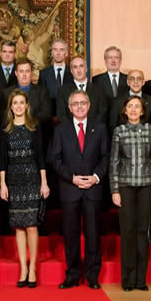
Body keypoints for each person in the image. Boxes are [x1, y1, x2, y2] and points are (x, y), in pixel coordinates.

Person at [49, 90, 109, 289]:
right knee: (71, 234)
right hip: (70, 188)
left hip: (93, 188)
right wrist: (72, 178)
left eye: (83, 103)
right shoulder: (61, 130)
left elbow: (106, 157)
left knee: (93, 234)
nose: (80, 106)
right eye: (76, 104)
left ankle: (92, 275)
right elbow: (54, 159)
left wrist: (95, 178)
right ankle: (73, 274)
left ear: (89, 105)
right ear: (69, 107)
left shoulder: (99, 128)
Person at [110, 96, 151, 291]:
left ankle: (141, 280)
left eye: (136, 107)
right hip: (125, 186)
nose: (133, 110)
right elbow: (114, 162)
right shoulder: (119, 131)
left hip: (147, 185)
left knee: (142, 231)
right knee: (127, 232)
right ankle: (128, 280)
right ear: (124, 110)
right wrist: (115, 189)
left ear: (142, 111)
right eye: (129, 106)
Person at [0, 90, 49, 287]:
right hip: (13, 181)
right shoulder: (5, 130)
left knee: (31, 226)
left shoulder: (34, 127)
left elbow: (41, 157)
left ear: (26, 105)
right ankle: (23, 268)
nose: (18, 106)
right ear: (11, 107)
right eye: (15, 103)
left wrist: (44, 183)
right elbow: (2, 159)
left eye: (22, 103)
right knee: (19, 225)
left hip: (32, 179)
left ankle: (33, 268)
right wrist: (3, 184)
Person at [56, 56, 107, 124]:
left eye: (81, 66)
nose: (78, 70)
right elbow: (61, 115)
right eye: (75, 67)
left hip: (94, 131)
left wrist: (89, 128)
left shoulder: (98, 90)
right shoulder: (63, 91)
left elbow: (102, 113)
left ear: (86, 69)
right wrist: (76, 129)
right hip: (71, 132)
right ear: (71, 71)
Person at [38, 37, 70, 104]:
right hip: (50, 113)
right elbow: (41, 98)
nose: (58, 53)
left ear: (66, 53)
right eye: (55, 50)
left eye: (61, 50)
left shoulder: (72, 73)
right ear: (52, 53)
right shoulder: (44, 74)